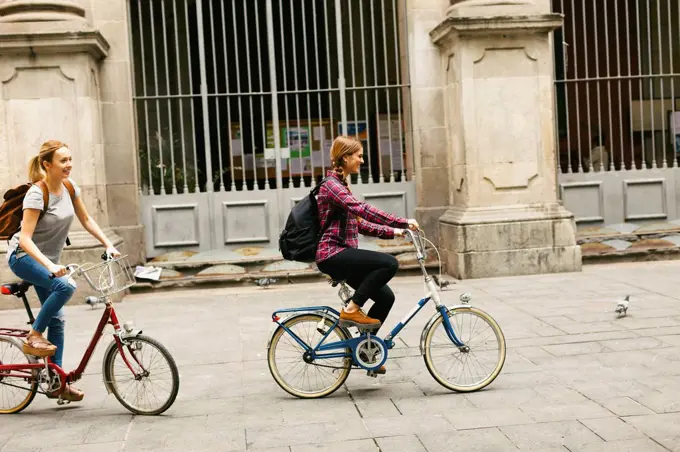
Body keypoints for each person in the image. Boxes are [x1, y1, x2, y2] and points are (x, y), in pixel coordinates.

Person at [6, 140, 121, 402]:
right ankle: (35, 335)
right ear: (47, 164)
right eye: (63, 161)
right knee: (66, 286)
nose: (69, 165)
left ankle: (57, 382)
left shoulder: (70, 187)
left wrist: (108, 243)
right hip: (24, 258)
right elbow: (24, 239)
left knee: (58, 319)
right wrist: (50, 266)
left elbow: (87, 219)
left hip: (48, 262)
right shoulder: (37, 194)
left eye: (70, 159)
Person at [315, 136, 418, 375]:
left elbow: (361, 225)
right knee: (389, 263)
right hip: (333, 253)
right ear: (345, 157)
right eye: (358, 156)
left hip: (344, 254)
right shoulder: (332, 185)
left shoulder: (341, 185)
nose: (362, 160)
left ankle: (364, 352)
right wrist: (402, 219)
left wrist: (396, 231)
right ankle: (352, 310)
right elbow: (363, 209)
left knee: (385, 298)